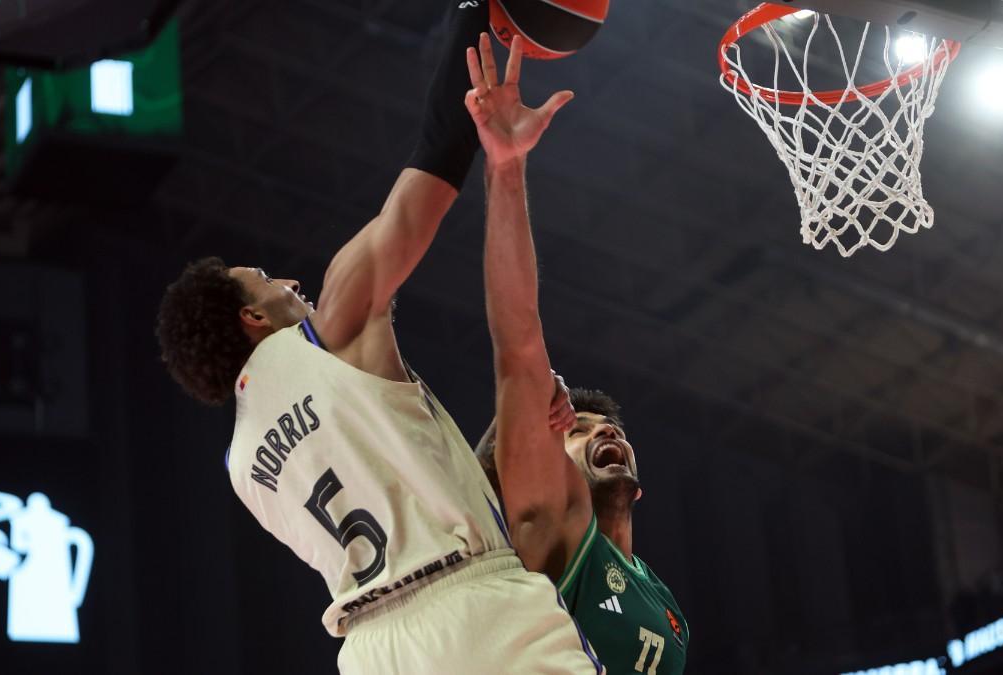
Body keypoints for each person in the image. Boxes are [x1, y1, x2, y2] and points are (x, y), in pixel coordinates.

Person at [155, 5, 598, 672]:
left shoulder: (244, 465)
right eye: (266, 279)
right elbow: (432, 170)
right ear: (252, 319)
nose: (289, 281)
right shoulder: (326, 327)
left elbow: (402, 468)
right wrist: (479, 17)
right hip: (475, 607)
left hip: (373, 651)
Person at [469, 28, 690, 674]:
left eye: (612, 428)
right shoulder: (560, 522)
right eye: (583, 427)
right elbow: (518, 343)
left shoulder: (666, 603)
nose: (607, 433)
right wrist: (506, 171)